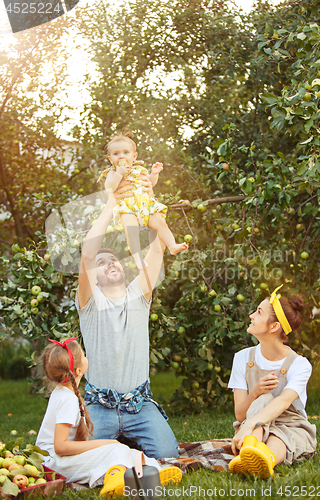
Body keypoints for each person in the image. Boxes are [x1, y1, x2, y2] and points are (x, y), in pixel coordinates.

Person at [75, 184, 180, 460]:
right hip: (99, 407)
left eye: (114, 259)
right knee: (79, 460)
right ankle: (118, 445)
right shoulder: (89, 302)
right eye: (102, 262)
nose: (110, 263)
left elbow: (156, 252)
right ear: (94, 276)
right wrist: (111, 205)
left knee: (168, 455)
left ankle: (123, 443)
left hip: (139, 404)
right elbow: (87, 255)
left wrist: (149, 202)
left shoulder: (138, 295)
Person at [36, 338, 182, 495]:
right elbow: (60, 447)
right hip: (52, 465)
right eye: (84, 355)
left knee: (130, 452)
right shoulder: (67, 399)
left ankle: (153, 471)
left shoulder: (64, 393)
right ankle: (114, 481)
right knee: (114, 450)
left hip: (58, 460)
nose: (86, 357)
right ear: (78, 371)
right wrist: (104, 443)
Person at [227, 285, 317, 478]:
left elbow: (283, 402)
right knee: (263, 399)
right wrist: (255, 393)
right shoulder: (242, 358)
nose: (251, 315)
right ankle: (250, 453)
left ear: (274, 326)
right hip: (255, 419)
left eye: (258, 312)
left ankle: (265, 458)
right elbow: (240, 415)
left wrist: (249, 426)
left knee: (280, 436)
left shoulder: (300, 365)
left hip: (291, 424)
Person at [97, 132, 188, 269]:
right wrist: (119, 173)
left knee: (161, 223)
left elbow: (150, 184)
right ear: (110, 159)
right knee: (131, 230)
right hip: (128, 209)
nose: (121, 156)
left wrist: (154, 174)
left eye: (126, 152)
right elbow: (110, 187)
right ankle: (138, 257)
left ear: (134, 156)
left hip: (147, 207)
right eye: (116, 154)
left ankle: (172, 245)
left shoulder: (139, 169)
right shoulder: (112, 173)